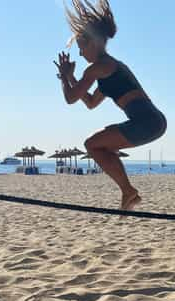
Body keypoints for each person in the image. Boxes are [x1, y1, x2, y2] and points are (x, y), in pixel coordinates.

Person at [55, 0, 166, 210]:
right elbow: (89, 102)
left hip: (147, 122)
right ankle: (128, 192)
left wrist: (64, 77)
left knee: (92, 144)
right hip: (153, 122)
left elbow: (70, 98)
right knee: (99, 145)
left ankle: (128, 191)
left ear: (94, 43)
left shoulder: (98, 68)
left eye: (81, 48)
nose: (80, 54)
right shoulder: (109, 69)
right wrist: (70, 77)